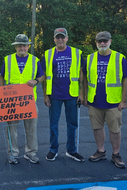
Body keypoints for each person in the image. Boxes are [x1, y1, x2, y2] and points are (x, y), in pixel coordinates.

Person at [83, 31, 127, 169]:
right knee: (97, 128)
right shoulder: (90, 58)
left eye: (105, 41)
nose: (102, 43)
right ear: (96, 42)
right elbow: (85, 79)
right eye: (100, 41)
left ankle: (116, 154)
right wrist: (85, 96)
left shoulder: (119, 57)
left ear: (110, 41)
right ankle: (101, 151)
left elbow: (126, 79)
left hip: (113, 102)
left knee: (115, 129)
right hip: (94, 101)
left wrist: (124, 100)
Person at [0, 34, 44, 164]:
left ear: (28, 47)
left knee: (31, 127)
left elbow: (41, 76)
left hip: (29, 100)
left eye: (24, 45)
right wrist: (1, 92)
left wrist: (35, 81)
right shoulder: (8, 60)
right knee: (11, 128)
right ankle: (13, 153)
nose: (21, 47)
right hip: (11, 101)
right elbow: (1, 77)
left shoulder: (35, 60)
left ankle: (31, 153)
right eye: (19, 45)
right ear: (15, 47)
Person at [41, 28, 85, 162]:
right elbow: (44, 75)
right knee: (53, 124)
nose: (60, 39)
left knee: (72, 124)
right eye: (57, 37)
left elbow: (81, 73)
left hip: (72, 94)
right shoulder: (48, 54)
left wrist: (81, 93)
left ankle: (72, 150)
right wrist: (45, 95)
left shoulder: (76, 53)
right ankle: (53, 150)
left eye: (62, 37)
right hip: (54, 95)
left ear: (67, 38)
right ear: (54, 39)